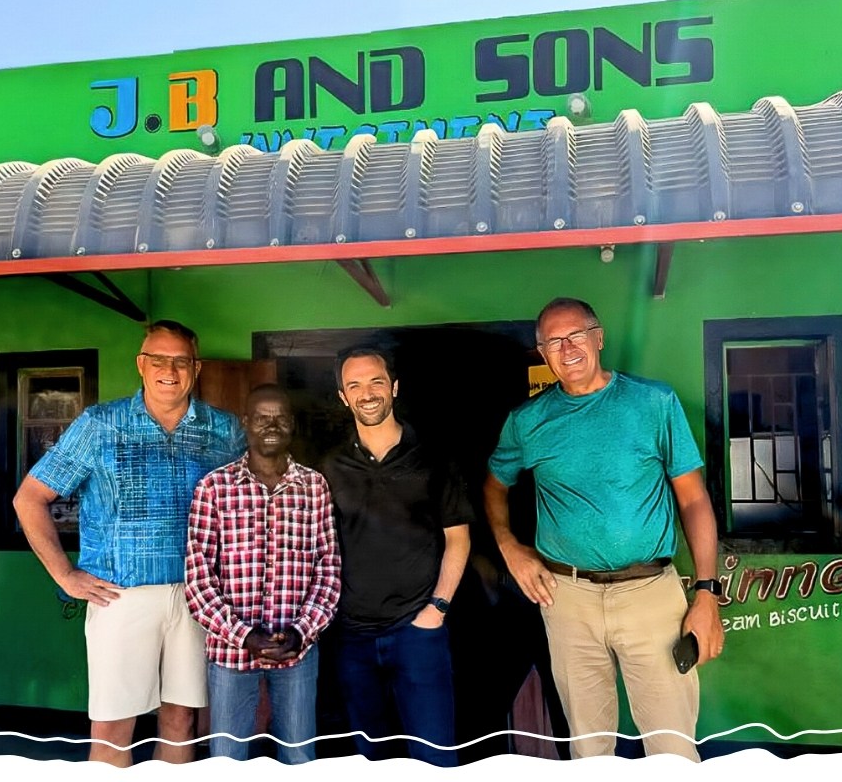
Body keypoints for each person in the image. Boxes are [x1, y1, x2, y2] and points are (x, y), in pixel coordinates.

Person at [483, 297, 725, 760]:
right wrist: (510, 546)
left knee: (673, 747)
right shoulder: (528, 421)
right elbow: (494, 486)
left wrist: (707, 593)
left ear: (599, 338)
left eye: (576, 334)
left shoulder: (653, 402)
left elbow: (693, 499)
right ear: (541, 352)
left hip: (651, 593)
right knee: (588, 749)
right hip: (567, 598)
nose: (566, 347)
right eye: (553, 341)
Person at [13, 320, 244, 766]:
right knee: (114, 726)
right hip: (120, 593)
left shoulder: (223, 430)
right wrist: (66, 574)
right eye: (158, 359)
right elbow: (29, 498)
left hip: (200, 596)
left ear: (195, 367)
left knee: (182, 720)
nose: (169, 370)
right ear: (141, 364)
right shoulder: (100, 424)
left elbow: (240, 509)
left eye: (180, 361)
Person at [321, 346, 473, 767]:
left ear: (395, 387)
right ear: (342, 397)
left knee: (435, 757)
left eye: (375, 382)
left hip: (418, 631)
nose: (366, 393)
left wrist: (437, 608)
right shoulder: (330, 467)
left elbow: (458, 539)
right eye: (354, 385)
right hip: (352, 635)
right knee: (369, 760)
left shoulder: (434, 457)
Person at [184, 384, 340, 764]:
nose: (272, 425)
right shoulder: (214, 488)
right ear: (246, 423)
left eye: (281, 417)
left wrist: (303, 631)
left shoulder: (314, 487)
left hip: (297, 650)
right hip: (231, 651)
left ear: (292, 425)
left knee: (299, 757)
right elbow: (198, 578)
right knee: (227, 759)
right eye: (262, 417)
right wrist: (244, 635)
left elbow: (329, 568)